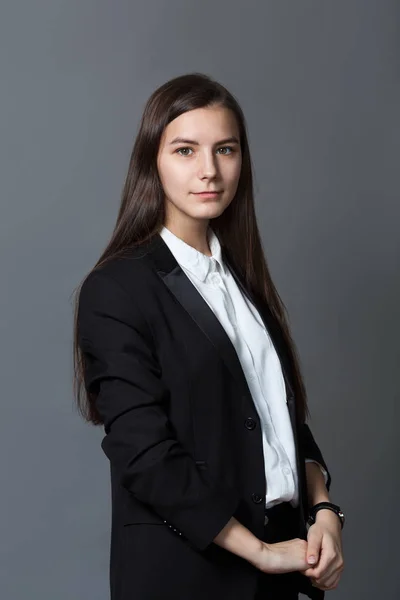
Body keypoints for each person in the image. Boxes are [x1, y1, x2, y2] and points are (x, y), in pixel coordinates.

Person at [73, 72, 344, 600]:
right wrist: (260, 552)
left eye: (225, 149)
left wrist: (326, 511)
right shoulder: (118, 288)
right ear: (152, 160)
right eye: (185, 150)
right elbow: (145, 456)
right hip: (187, 575)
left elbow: (281, 424)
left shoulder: (242, 284)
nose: (209, 170)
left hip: (283, 568)